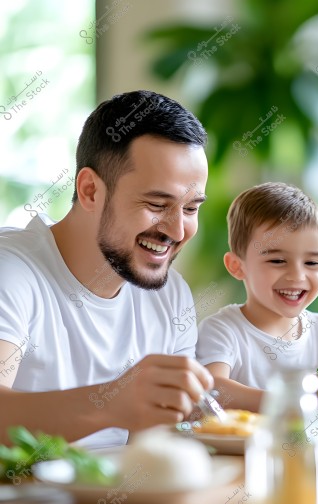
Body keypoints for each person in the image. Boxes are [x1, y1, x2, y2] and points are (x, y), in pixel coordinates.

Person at [0, 90, 214, 448]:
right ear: (89, 190)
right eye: (157, 204)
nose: (177, 231)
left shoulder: (170, 294)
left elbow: (157, 450)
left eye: (191, 209)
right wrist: (111, 403)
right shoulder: (13, 271)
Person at [196, 182, 318, 411]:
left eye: (311, 263)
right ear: (236, 266)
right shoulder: (223, 329)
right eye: (277, 261)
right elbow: (214, 390)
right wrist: (299, 403)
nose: (296, 276)